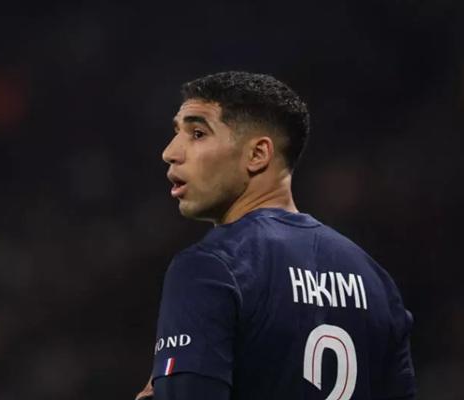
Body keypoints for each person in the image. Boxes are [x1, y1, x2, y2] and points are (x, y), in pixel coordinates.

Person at [135, 71, 415, 399]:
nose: (170, 152)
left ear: (257, 155)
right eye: (177, 133)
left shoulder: (211, 267)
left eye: (197, 133)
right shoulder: (377, 283)